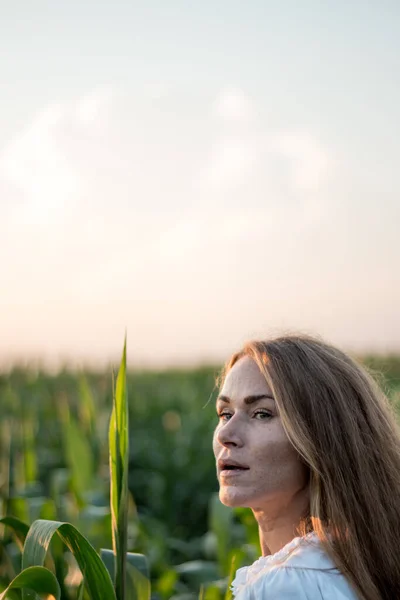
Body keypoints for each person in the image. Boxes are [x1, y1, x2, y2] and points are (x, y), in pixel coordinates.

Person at [213, 334, 400, 600]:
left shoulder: (284, 587)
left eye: (262, 413)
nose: (225, 434)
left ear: (321, 437)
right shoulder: (354, 568)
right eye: (225, 414)